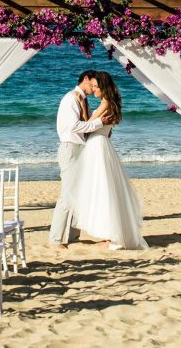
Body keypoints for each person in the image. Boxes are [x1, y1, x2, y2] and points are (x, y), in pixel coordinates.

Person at [66, 70, 148, 250]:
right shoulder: (109, 103)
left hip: (97, 146)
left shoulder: (105, 103)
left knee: (103, 190)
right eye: (93, 86)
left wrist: (80, 102)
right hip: (101, 144)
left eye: (96, 86)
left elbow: (88, 126)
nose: (94, 90)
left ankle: (112, 237)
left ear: (103, 87)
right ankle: (111, 235)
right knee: (105, 188)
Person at [48, 69, 104, 249]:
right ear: (85, 79)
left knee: (78, 194)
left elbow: (86, 120)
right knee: (67, 194)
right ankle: (55, 239)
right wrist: (98, 123)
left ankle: (72, 235)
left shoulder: (83, 101)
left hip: (80, 148)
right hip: (70, 147)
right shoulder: (71, 99)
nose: (94, 88)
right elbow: (74, 126)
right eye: (93, 84)